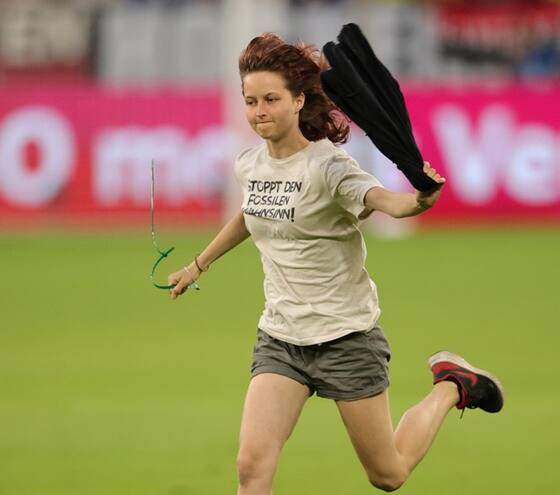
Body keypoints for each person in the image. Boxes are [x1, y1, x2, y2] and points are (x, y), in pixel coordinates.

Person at [166, 33, 504, 494]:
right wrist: (197, 265)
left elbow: (383, 200)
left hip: (345, 338)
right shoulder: (250, 164)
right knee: (251, 467)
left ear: (299, 100)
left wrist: (418, 200)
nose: (259, 111)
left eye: (270, 99)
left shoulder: (329, 168)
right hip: (281, 339)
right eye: (250, 101)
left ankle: (451, 385)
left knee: (388, 475)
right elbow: (251, 214)